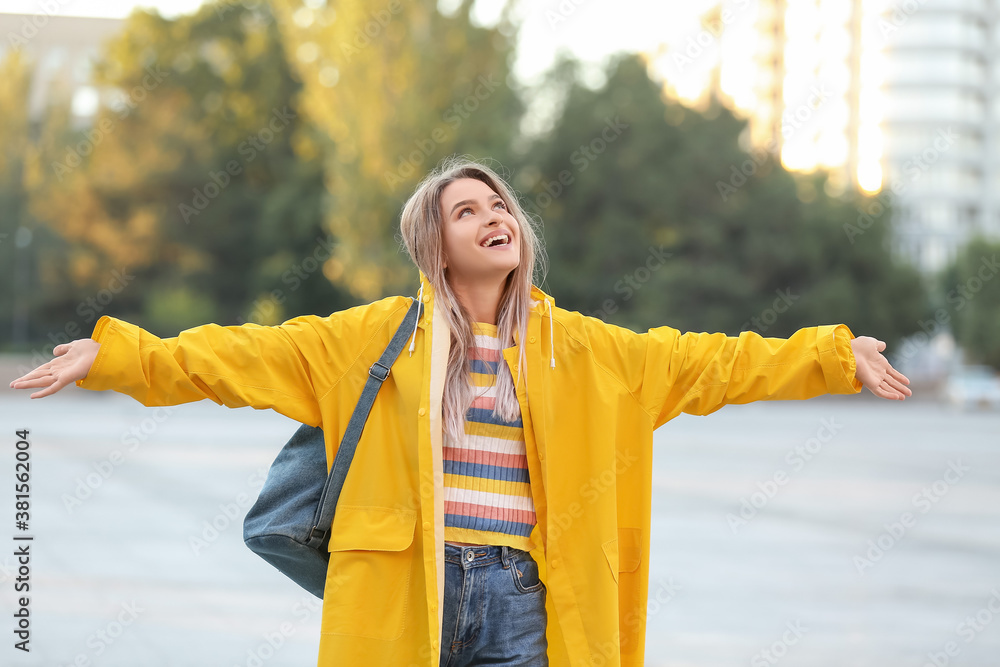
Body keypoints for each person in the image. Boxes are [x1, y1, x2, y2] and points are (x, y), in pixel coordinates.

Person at [10, 157, 911, 667]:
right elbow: (232, 356)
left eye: (499, 205)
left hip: (526, 602)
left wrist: (835, 354)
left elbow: (719, 363)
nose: (493, 216)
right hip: (409, 592)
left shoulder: (595, 352)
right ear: (431, 246)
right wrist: (116, 354)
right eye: (465, 209)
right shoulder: (371, 338)